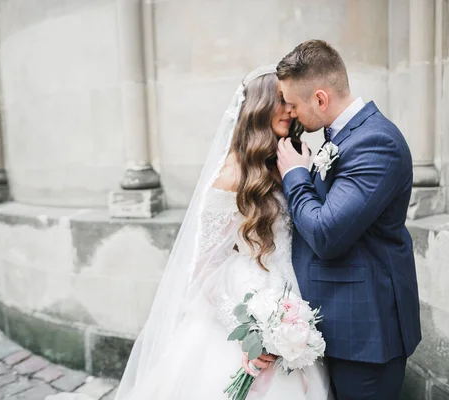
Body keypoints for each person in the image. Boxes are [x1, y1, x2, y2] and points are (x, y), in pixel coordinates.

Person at [114, 66, 331, 400]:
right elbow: (203, 268)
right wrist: (249, 332)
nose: (291, 109)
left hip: (293, 301)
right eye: (281, 101)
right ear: (257, 107)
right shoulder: (231, 175)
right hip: (248, 305)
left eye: (291, 102)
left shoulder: (285, 161)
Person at [274, 40, 421, 399]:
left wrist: (295, 175)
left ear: (320, 99)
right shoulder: (339, 136)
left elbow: (327, 233)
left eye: (293, 104)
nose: (290, 113)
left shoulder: (375, 143)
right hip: (341, 326)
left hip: (366, 336)